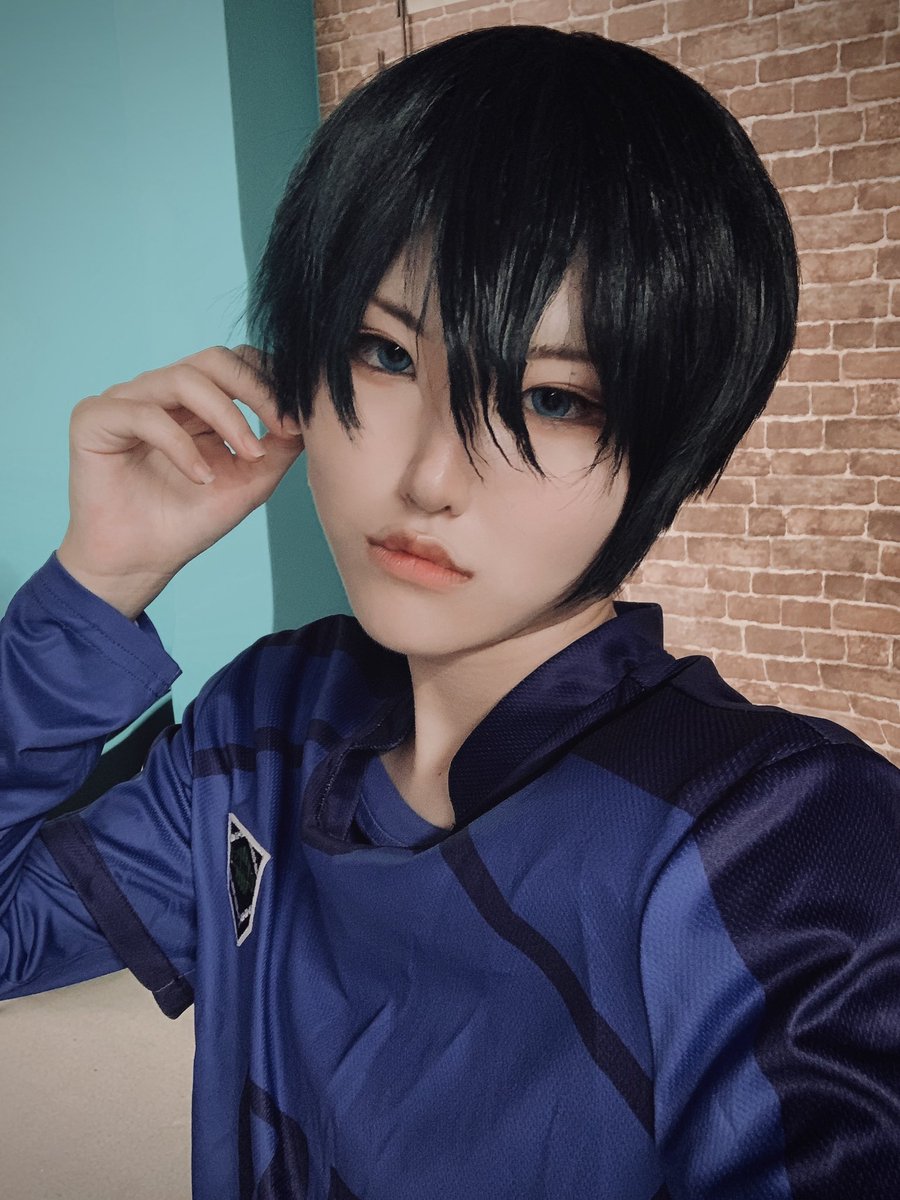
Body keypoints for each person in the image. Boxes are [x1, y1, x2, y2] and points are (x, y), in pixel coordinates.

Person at [1, 23, 898, 1200]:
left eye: (556, 400)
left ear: (672, 447)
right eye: (383, 351)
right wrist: (97, 581)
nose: (432, 476)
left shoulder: (777, 836)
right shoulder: (264, 723)